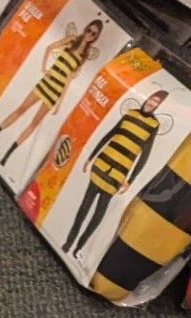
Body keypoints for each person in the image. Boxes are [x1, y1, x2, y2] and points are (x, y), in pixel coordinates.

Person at [0, 17, 105, 168]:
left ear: (95, 38)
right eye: (89, 30)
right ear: (85, 28)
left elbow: (69, 79)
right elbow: (50, 48)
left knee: (34, 122)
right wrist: (44, 68)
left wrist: (60, 102)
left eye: (93, 34)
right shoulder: (71, 40)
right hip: (46, 83)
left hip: (55, 91)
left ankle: (8, 154)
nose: (89, 34)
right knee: (21, 109)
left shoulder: (83, 57)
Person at [61, 90, 170, 258]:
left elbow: (145, 155)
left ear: (159, 106)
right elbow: (109, 135)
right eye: (152, 99)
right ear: (147, 97)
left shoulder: (153, 125)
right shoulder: (130, 113)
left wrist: (130, 180)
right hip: (102, 164)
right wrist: (91, 158)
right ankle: (68, 243)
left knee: (98, 214)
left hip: (118, 174)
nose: (152, 103)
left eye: (157, 102)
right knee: (83, 208)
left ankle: (78, 248)